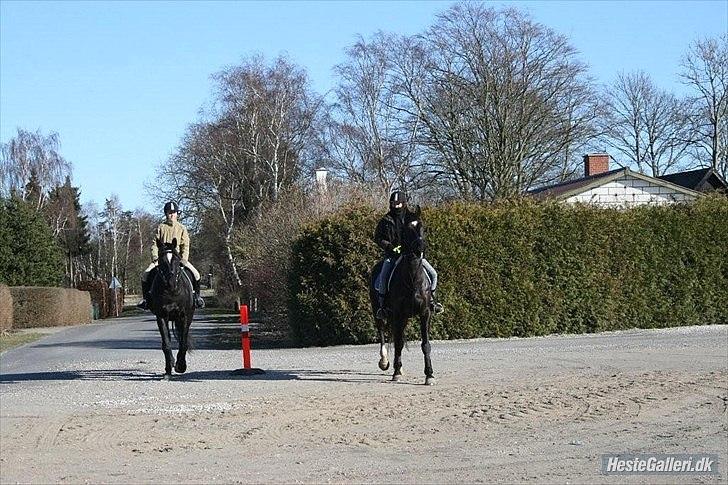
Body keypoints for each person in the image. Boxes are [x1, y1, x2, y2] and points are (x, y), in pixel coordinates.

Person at [373, 190, 443, 319]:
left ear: (404, 203)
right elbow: (378, 237)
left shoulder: (412, 218)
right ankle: (382, 308)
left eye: (398, 203)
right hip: (393, 255)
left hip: (413, 256)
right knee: (382, 278)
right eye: (393, 203)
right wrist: (390, 247)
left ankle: (432, 302)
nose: (396, 206)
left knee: (433, 274)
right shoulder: (385, 220)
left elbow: (420, 235)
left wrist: (419, 246)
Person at [137, 201, 205, 309]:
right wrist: (155, 257)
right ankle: (146, 300)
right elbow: (154, 244)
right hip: (162, 258)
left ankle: (197, 298)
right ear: (166, 214)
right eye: (169, 212)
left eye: (174, 212)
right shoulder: (160, 227)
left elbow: (185, 245)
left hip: (177, 258)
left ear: (177, 214)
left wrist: (184, 259)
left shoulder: (182, 228)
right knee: (145, 275)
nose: (172, 215)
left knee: (196, 274)